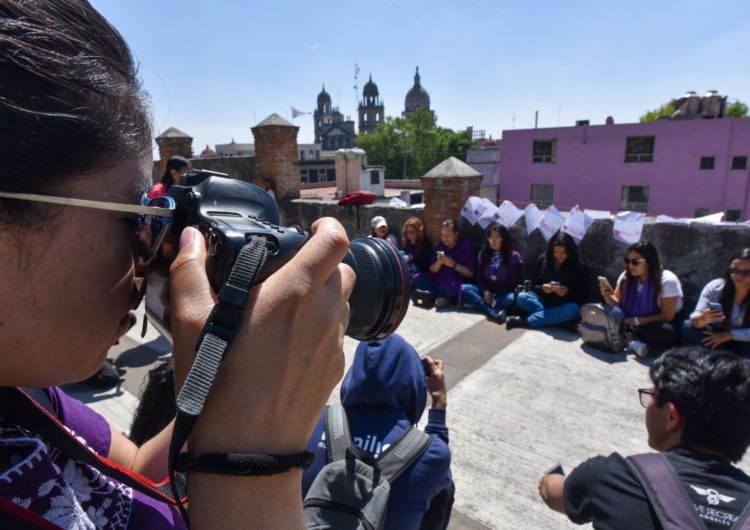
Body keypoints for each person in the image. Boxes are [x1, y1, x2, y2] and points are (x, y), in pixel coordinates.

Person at [0, 2, 352, 528]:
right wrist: (258, 464)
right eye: (138, 220)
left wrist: (237, 388)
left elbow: (136, 465)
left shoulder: (20, 386)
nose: (149, 261)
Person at [538, 347, 750, 529]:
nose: (646, 402)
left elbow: (552, 491)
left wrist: (547, 479)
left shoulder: (614, 477)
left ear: (672, 416)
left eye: (650, 395)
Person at [302, 334, 453, 530]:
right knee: (443, 488)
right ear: (413, 380)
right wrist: (439, 403)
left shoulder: (311, 421)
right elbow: (437, 468)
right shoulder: (434, 453)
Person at [599, 240, 683, 358]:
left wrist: (638, 321)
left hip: (655, 321)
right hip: (630, 321)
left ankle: (626, 338)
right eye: (628, 261)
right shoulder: (626, 276)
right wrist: (606, 294)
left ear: (649, 262)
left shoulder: (667, 280)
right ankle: (630, 340)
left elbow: (667, 316)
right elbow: (617, 305)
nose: (630, 265)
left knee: (666, 332)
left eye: (635, 262)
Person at [506, 231, 587, 330]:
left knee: (573, 310)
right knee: (522, 297)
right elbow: (533, 285)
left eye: (564, 253)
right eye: (556, 253)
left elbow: (584, 295)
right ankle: (557, 321)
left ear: (570, 251)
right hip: (543, 302)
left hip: (565, 305)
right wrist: (543, 288)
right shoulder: (544, 260)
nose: (559, 256)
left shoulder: (579, 265)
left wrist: (567, 291)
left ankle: (526, 321)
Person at [682, 248, 750, 356]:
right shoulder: (716, 287)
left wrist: (730, 335)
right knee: (687, 326)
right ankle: (725, 354)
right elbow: (695, 318)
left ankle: (722, 355)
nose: (738, 276)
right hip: (715, 332)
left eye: (746, 273)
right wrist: (703, 318)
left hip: (743, 335)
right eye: (734, 271)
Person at [461, 223, 522, 324]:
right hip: (486, 292)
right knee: (464, 288)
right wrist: (485, 291)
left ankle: (480, 305)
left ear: (504, 239)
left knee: (511, 299)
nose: (493, 241)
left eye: (497, 237)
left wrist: (494, 295)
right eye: (491, 237)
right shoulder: (484, 252)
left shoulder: (514, 256)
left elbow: (513, 282)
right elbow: (479, 277)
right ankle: (492, 311)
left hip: (503, 294)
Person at [412, 219, 476, 307]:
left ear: (456, 234)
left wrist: (454, 265)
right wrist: (439, 262)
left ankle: (433, 296)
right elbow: (432, 270)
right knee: (417, 278)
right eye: (442, 235)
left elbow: (470, 274)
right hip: (438, 280)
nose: (444, 238)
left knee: (449, 291)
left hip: (455, 283)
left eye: (448, 235)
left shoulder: (466, 246)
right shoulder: (441, 246)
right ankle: (438, 297)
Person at [401, 217, 433, 282]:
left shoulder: (424, 245)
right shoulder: (407, 243)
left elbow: (426, 265)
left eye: (412, 232)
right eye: (408, 232)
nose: (409, 234)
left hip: (421, 273)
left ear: (418, 232)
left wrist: (414, 258)